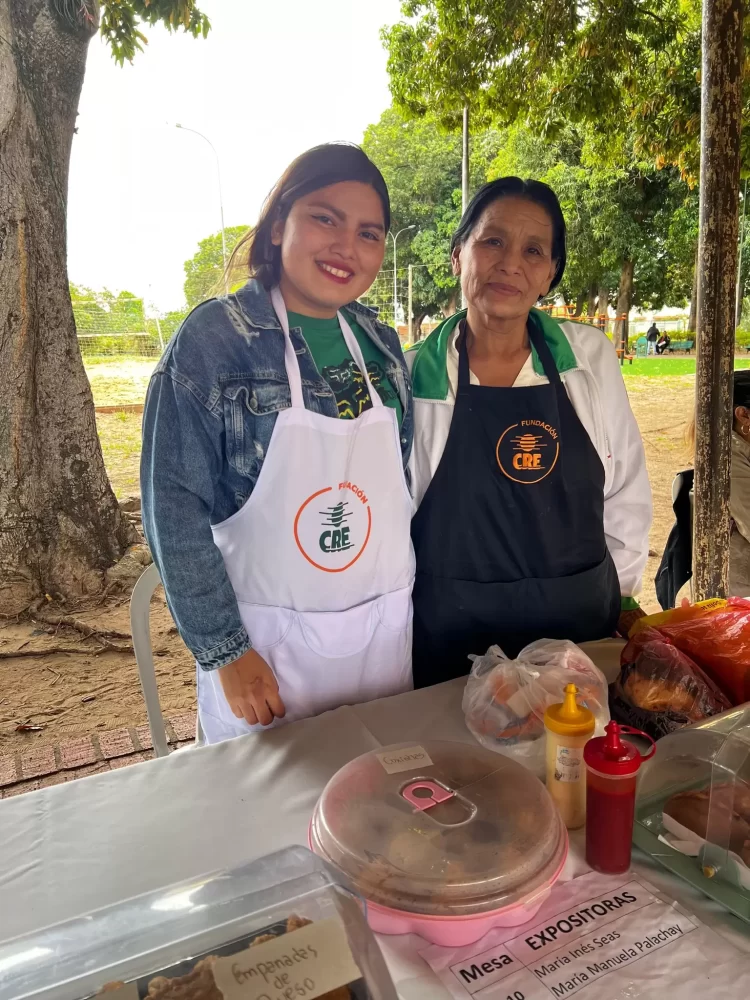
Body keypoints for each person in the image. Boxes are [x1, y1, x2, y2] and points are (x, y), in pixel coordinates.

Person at [141, 144, 414, 743]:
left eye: (369, 232)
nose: (347, 246)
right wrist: (224, 650)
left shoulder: (382, 345)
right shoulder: (214, 342)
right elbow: (172, 511)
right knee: (267, 821)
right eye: (325, 217)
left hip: (381, 643)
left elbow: (400, 487)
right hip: (265, 658)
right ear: (276, 226)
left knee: (374, 810)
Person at [407, 177, 652, 688]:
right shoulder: (412, 377)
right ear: (458, 255)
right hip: (452, 647)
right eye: (492, 240)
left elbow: (626, 487)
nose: (510, 263)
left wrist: (620, 593)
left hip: (578, 639)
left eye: (533, 250)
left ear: (550, 274)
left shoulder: (588, 358)